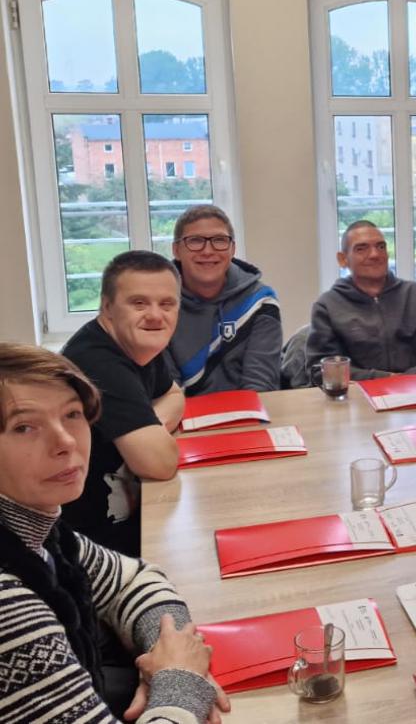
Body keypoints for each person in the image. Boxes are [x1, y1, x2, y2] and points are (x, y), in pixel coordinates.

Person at [0, 343, 229, 723]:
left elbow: (135, 579)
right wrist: (181, 678)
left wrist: (165, 659)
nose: (66, 441)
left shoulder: (39, 532)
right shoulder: (7, 606)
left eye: (72, 414)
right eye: (24, 427)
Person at [62, 251, 184, 557]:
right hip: (93, 551)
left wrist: (148, 426)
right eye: (139, 303)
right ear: (107, 308)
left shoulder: (138, 345)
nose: (155, 315)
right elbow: (160, 463)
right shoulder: (96, 362)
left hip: (130, 521)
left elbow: (174, 396)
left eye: (166, 304)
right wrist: (146, 439)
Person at [305, 220, 416, 380]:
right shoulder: (328, 305)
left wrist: (404, 383)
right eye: (361, 248)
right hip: (356, 393)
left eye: (381, 247)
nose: (375, 255)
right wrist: (385, 379)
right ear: (343, 259)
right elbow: (321, 369)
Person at [166, 205, 282, 395]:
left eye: (219, 240)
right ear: (176, 250)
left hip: (247, 409)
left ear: (232, 249)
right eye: (195, 241)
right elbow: (167, 390)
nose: (207, 251)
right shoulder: (159, 305)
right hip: (181, 410)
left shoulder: (261, 302)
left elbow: (260, 386)